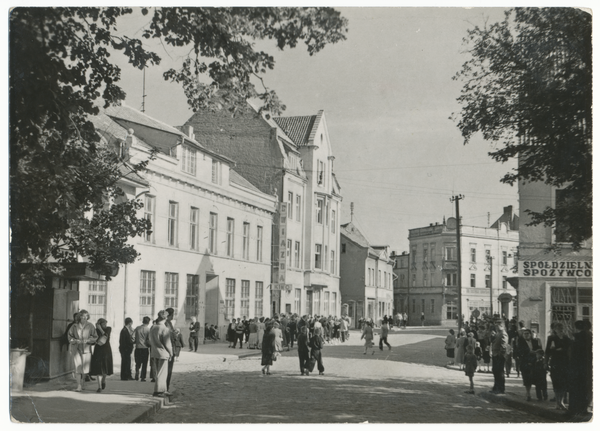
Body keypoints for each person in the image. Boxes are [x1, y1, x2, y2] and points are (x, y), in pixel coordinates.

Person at [568, 320, 593, 419]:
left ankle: (575, 409)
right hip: (587, 367)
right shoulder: (590, 337)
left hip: (576, 367)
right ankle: (584, 408)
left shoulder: (577, 339)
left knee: (576, 388)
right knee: (586, 388)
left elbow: (572, 354)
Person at [67, 310, 98, 392]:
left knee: (84, 368)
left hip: (86, 349)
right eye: (82, 316)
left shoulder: (90, 326)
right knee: (78, 367)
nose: (84, 317)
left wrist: (88, 340)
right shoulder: (74, 326)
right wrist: (74, 341)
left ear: (87, 317)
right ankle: (79, 385)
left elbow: (95, 336)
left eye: (85, 316)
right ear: (79, 317)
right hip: (76, 348)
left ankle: (83, 382)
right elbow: (69, 336)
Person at [544, 322, 571, 410]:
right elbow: (547, 352)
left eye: (562, 328)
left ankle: (561, 401)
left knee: (563, 382)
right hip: (555, 362)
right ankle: (557, 402)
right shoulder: (551, 338)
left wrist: (560, 350)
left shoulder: (567, 339)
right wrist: (546, 363)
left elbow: (569, 350)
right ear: (555, 330)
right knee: (556, 382)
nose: (561, 330)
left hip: (565, 363)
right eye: (558, 329)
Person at [148, 310, 173, 397]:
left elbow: (149, 340)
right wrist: (171, 353)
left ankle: (163, 389)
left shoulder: (153, 327)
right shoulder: (164, 328)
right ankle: (158, 390)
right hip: (163, 352)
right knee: (162, 373)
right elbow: (167, 343)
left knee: (159, 371)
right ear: (165, 318)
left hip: (154, 352)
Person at [516, 328, 542, 401]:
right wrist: (529, 352)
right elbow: (520, 352)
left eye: (527, 333)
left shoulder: (535, 341)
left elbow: (539, 350)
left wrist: (536, 354)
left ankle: (539, 395)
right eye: (525, 334)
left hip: (534, 362)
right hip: (525, 362)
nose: (526, 335)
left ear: (530, 334)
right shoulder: (521, 342)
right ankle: (528, 394)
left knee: (536, 378)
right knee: (527, 379)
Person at [89, 318, 113, 393]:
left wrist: (100, 328)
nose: (105, 325)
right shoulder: (95, 331)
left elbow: (106, 335)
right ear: (99, 324)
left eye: (105, 323)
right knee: (99, 369)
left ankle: (103, 380)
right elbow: (92, 340)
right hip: (98, 350)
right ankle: (99, 387)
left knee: (105, 368)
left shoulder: (108, 329)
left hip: (106, 350)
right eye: (103, 324)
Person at [490, 318, 508, 395]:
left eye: (497, 326)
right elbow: (493, 342)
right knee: (495, 371)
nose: (496, 327)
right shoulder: (498, 333)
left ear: (501, 325)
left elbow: (504, 345)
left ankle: (500, 388)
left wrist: (500, 354)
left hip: (499, 355)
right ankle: (496, 387)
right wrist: (492, 336)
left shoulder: (503, 333)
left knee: (499, 372)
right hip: (495, 354)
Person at [133, 316, 151, 382]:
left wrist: (136, 341)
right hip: (145, 348)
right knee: (144, 363)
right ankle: (143, 377)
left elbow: (132, 337)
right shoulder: (148, 330)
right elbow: (149, 339)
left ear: (142, 321)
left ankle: (137, 373)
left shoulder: (137, 328)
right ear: (148, 322)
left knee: (137, 362)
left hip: (138, 347)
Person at [164, 308, 176, 392]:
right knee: (168, 370)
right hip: (169, 349)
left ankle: (166, 387)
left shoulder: (168, 323)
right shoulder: (167, 323)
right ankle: (165, 387)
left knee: (167, 370)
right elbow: (170, 336)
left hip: (169, 348)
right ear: (170, 315)